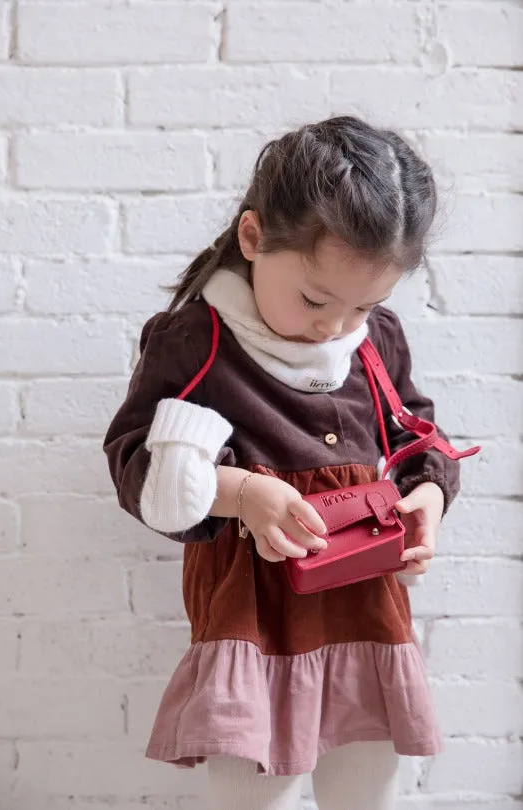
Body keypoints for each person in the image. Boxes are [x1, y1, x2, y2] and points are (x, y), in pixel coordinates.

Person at [104, 116, 469, 810]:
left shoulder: (374, 339)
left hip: (365, 604)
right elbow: (135, 467)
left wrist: (430, 499)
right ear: (253, 239)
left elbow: (417, 434)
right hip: (255, 614)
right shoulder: (195, 340)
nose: (335, 325)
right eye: (314, 298)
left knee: (367, 782)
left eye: (365, 303)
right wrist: (241, 494)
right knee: (254, 793)